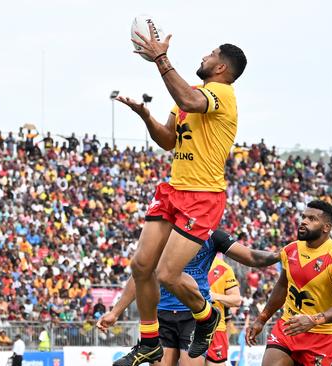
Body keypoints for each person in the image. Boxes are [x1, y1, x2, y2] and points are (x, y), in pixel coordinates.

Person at [114, 21, 247, 366]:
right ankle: (148, 341)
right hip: (174, 189)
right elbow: (169, 140)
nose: (204, 56)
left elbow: (188, 97)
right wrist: (146, 117)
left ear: (221, 67)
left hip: (202, 196)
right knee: (141, 265)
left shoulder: (223, 95)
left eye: (211, 54)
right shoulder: (187, 96)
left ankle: (206, 317)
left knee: (168, 274)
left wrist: (161, 59)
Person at [98, 229, 277, 366]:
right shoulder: (163, 233)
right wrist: (115, 312)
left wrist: (280, 255)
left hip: (195, 317)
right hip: (162, 315)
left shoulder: (213, 236)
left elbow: (251, 257)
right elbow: (141, 274)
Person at [246, 200, 332, 366]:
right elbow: (282, 286)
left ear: (326, 227)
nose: (304, 221)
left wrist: (314, 320)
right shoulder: (292, 249)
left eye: (312, 219)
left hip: (321, 336)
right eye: (304, 217)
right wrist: (262, 319)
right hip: (288, 327)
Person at [206, 255, 240, 365]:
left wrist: (214, 296)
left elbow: (236, 300)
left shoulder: (223, 268)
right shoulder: (183, 262)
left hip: (215, 329)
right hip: (186, 326)